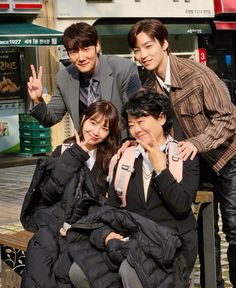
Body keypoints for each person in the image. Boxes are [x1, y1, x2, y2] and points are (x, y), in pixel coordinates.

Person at [127, 18, 236, 288]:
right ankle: (214, 283)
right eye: (137, 50)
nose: (143, 55)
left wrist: (198, 142)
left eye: (148, 46)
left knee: (234, 228)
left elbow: (228, 118)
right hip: (192, 164)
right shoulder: (148, 89)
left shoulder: (197, 75)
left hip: (226, 157)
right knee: (199, 227)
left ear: (164, 44)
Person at [69, 90, 200, 288]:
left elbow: (182, 206)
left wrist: (161, 169)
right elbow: (111, 208)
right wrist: (107, 234)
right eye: (131, 124)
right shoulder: (126, 157)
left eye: (141, 121)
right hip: (133, 242)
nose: (136, 129)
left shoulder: (183, 155)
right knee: (79, 271)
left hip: (171, 245)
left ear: (162, 118)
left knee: (130, 270)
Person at [20, 100, 121, 287]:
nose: (96, 131)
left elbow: (103, 204)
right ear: (83, 120)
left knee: (64, 269)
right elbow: (48, 194)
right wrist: (75, 156)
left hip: (85, 228)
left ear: (110, 133)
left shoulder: (110, 159)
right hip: (54, 222)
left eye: (104, 128)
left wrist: (74, 226)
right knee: (39, 257)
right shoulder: (64, 150)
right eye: (93, 122)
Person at [27, 22, 141, 132]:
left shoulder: (123, 69)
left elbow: (135, 113)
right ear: (68, 54)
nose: (81, 58)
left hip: (120, 145)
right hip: (86, 147)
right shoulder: (65, 77)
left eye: (86, 49)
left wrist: (130, 144)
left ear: (97, 46)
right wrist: (37, 100)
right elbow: (50, 118)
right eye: (74, 52)